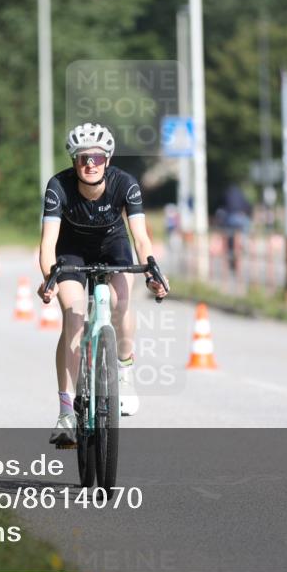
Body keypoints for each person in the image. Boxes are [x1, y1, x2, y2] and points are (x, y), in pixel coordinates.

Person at [38, 122, 168, 446]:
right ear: (74, 161)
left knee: (121, 301)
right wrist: (48, 279)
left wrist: (152, 272)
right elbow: (48, 244)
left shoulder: (125, 184)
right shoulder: (58, 186)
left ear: (107, 160)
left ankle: (124, 368)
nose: (90, 164)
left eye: (96, 157)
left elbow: (141, 238)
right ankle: (66, 412)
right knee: (73, 316)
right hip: (71, 251)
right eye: (83, 158)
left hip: (113, 246)